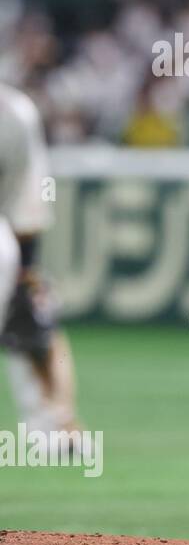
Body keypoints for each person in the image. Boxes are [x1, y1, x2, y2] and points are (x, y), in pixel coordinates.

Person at [0, 85, 83, 448]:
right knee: (33, 320)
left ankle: (55, 423)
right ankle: (56, 425)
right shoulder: (14, 110)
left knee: (34, 319)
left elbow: (26, 199)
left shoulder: (14, 112)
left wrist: (26, 267)